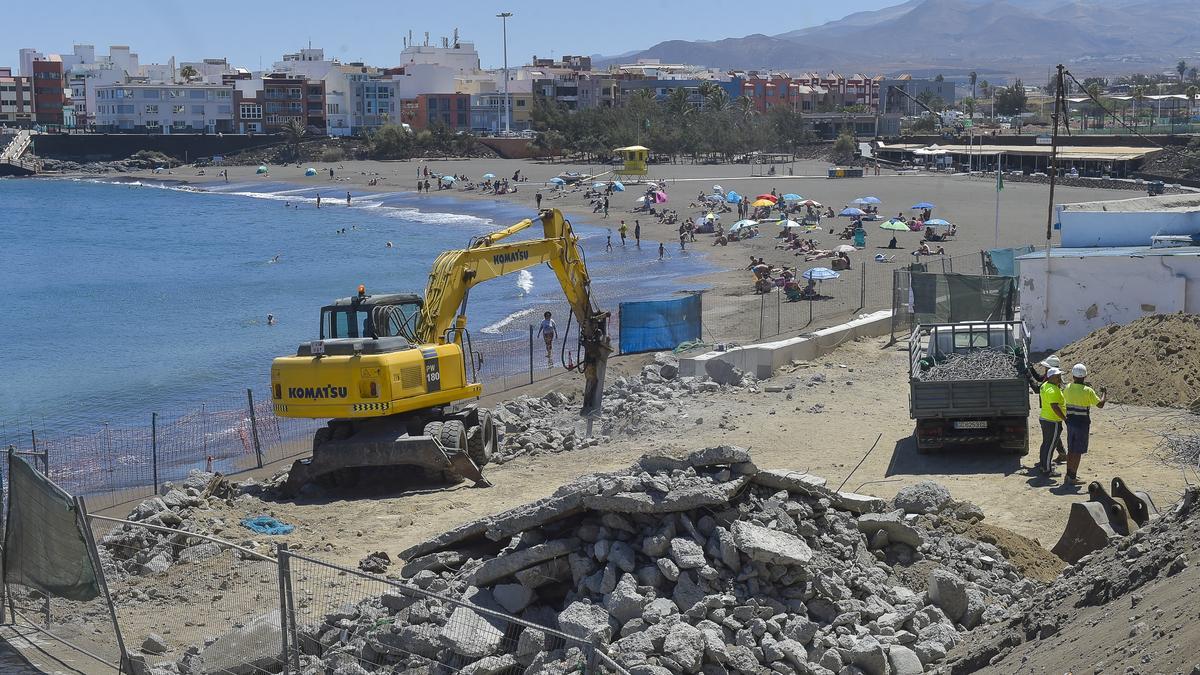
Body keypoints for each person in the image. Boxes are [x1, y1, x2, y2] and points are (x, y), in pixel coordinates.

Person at [1062, 363, 1106, 486]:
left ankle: (1068, 475)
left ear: (1073, 376)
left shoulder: (1068, 387)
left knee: (1071, 450)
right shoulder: (1088, 391)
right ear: (1085, 376)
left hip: (1070, 422)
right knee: (1078, 451)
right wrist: (1104, 393)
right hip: (1082, 424)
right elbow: (1100, 404)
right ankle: (1073, 477)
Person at [1036, 367, 1067, 478]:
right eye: (1057, 376)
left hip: (1045, 418)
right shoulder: (1052, 390)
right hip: (1052, 420)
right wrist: (1064, 418)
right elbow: (1055, 406)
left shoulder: (1045, 386)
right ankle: (1047, 470)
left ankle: (1043, 465)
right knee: (1050, 446)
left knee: (1046, 444)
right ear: (1051, 377)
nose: (1060, 378)